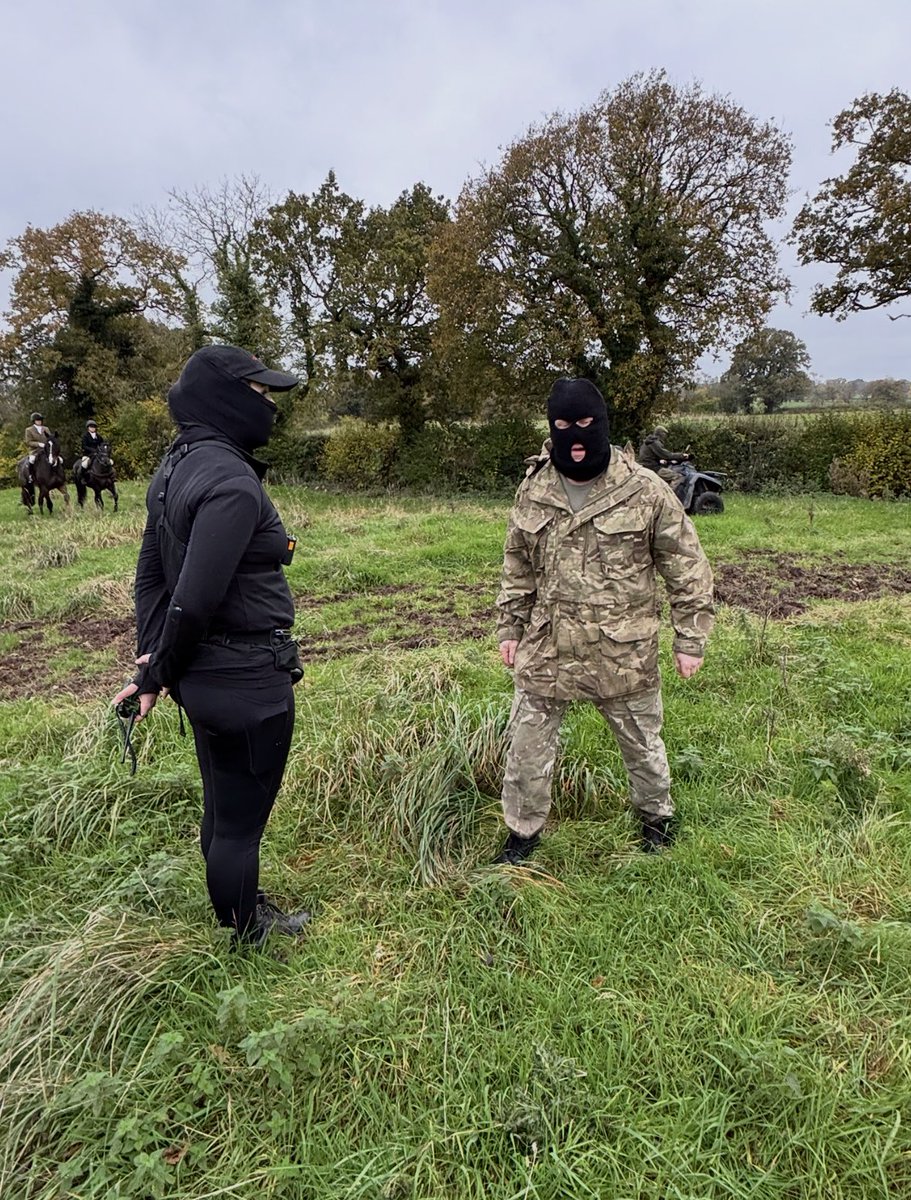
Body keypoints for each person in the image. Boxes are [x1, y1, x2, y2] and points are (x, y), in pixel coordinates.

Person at [112, 345, 308, 948]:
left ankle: (237, 909)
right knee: (240, 823)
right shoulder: (230, 481)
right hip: (246, 675)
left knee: (222, 804)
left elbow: (151, 576)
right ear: (224, 397)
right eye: (260, 393)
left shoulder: (175, 468)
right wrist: (157, 667)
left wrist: (153, 666)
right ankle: (248, 933)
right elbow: (192, 598)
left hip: (204, 674)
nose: (270, 406)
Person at [495, 379, 714, 864]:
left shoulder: (644, 490)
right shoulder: (534, 488)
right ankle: (521, 836)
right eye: (564, 425)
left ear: (604, 425)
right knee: (527, 748)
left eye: (587, 424)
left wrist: (690, 640)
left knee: (642, 743)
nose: (576, 435)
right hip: (547, 646)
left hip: (623, 649)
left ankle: (656, 820)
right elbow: (517, 564)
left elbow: (687, 567)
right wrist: (510, 626)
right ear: (551, 427)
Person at [24, 412, 48, 483]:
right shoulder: (29, 430)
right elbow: (28, 442)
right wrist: (39, 444)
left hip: (46, 450)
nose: (39, 421)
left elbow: (50, 438)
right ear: (34, 421)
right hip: (35, 450)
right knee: (32, 459)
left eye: (40, 420)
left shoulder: (46, 429)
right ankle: (31, 476)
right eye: (37, 420)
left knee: (59, 459)